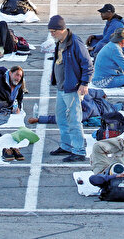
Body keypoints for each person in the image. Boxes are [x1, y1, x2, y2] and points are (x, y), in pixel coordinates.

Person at [48, 14, 93, 162]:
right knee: (61, 118)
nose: (51, 34)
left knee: (74, 120)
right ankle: (67, 146)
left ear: (61, 29)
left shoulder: (75, 43)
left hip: (72, 89)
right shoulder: (60, 41)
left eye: (53, 31)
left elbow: (87, 64)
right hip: (62, 88)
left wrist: (84, 83)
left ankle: (79, 150)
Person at [29, 87, 124, 126]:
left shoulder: (82, 97)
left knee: (115, 107)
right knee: (115, 108)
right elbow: (58, 119)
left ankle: (121, 105)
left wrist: (102, 93)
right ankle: (121, 105)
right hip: (104, 109)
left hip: (102, 105)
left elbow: (92, 92)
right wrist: (39, 119)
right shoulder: (80, 112)